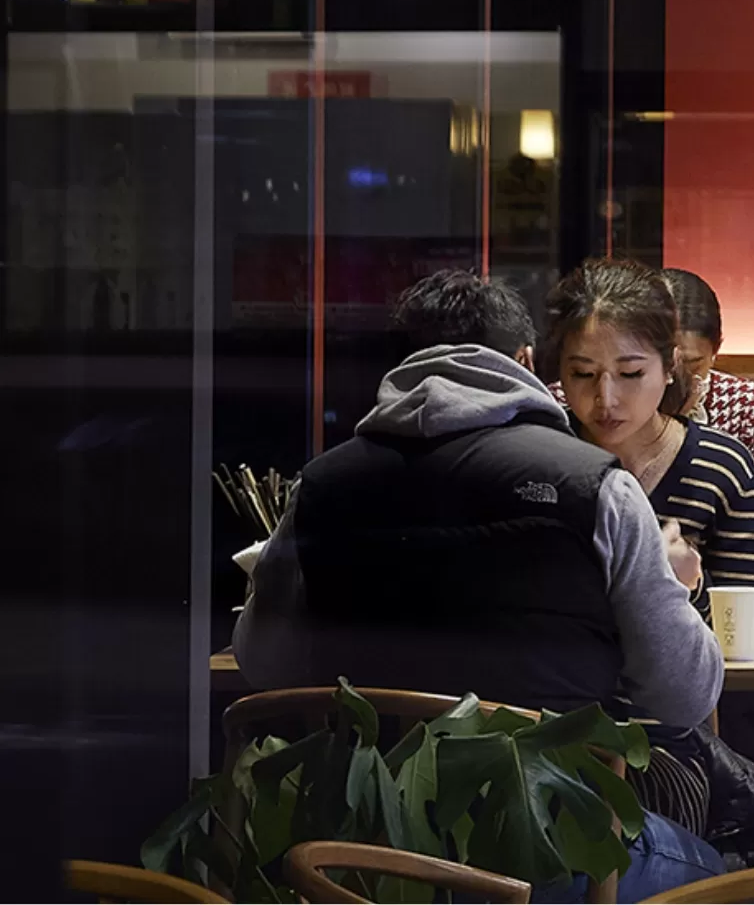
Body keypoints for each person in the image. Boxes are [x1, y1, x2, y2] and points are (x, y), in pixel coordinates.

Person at [233, 270, 725, 900]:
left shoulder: (320, 486)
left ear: (402, 365)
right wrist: (677, 586)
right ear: (526, 360)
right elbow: (683, 696)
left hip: (360, 853)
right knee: (746, 867)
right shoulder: (596, 487)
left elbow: (263, 661)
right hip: (550, 853)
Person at [545, 259, 754, 611]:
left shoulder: (722, 467)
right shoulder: (540, 456)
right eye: (583, 374)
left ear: (669, 366)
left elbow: (750, 624)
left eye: (631, 373)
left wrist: (689, 585)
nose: (606, 398)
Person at [662, 268, 754, 470]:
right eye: (666, 363)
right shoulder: (621, 406)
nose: (675, 378)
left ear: (716, 349)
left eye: (692, 364)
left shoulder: (752, 408)